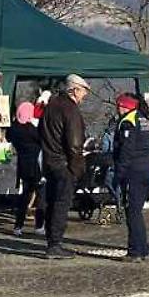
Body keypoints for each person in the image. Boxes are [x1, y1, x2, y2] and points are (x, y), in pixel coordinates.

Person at [40, 74, 90, 259]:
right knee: (61, 204)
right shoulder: (70, 109)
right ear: (75, 89)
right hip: (64, 163)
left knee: (52, 203)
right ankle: (55, 244)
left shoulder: (51, 105)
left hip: (49, 160)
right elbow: (75, 144)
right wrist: (77, 168)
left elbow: (42, 133)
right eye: (84, 91)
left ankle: (51, 241)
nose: (85, 96)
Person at [114, 93, 149, 262]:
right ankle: (143, 248)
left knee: (132, 211)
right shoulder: (143, 119)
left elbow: (126, 151)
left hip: (133, 171)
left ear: (123, 106)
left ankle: (135, 250)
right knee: (137, 211)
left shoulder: (128, 122)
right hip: (146, 169)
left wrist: (119, 173)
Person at [7, 101, 45, 237]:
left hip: (22, 166)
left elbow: (8, 138)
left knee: (24, 196)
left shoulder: (13, 129)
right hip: (36, 166)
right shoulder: (32, 130)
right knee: (41, 196)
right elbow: (43, 140)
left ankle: (18, 226)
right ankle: (39, 225)